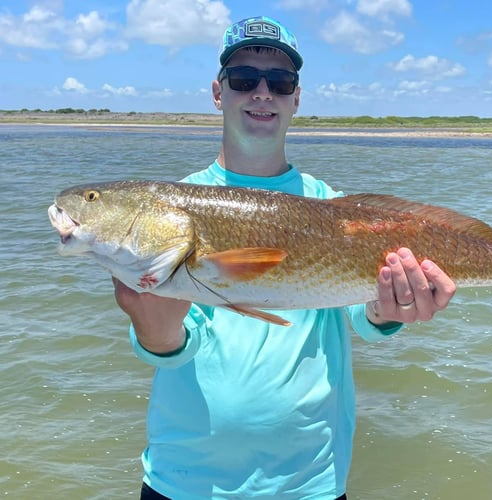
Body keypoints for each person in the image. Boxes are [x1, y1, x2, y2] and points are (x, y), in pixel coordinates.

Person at [113, 15, 455, 500]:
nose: (262, 92)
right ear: (218, 92)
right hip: (183, 481)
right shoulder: (176, 206)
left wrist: (389, 308)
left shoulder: (331, 206)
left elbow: (364, 316)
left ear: (296, 97)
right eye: (244, 79)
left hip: (308, 482)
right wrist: (154, 326)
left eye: (279, 81)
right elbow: (174, 344)